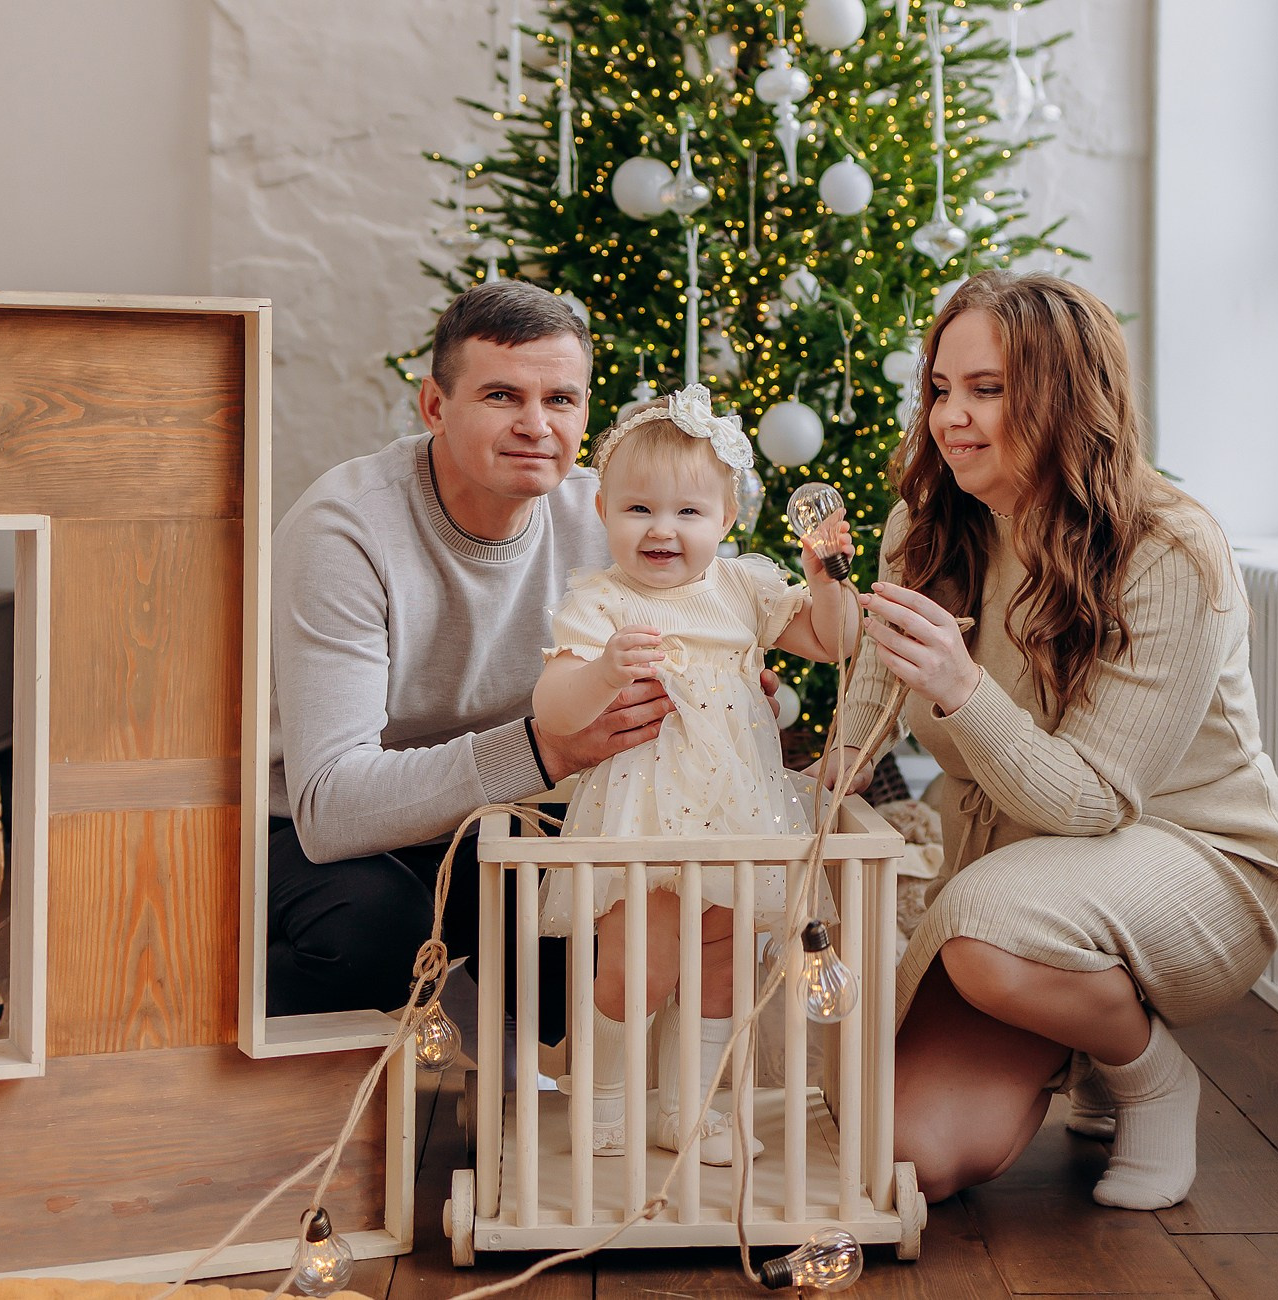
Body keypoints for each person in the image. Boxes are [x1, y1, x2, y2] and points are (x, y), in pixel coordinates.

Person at [823, 271, 1278, 1210]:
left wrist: (963, 688)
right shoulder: (922, 527)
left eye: (987, 390)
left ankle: (1149, 1076)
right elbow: (867, 707)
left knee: (992, 928)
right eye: (940, 388)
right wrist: (807, 775)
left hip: (1195, 859)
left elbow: (1093, 802)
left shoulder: (1170, 548)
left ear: (1067, 396)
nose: (951, 418)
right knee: (907, 1153)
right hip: (1024, 876)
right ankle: (1075, 1023)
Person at [266, 280, 668, 1028]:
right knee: (377, 926)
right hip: (297, 824)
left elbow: (716, 622)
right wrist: (542, 749)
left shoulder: (601, 515)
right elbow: (325, 806)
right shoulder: (345, 529)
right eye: (501, 397)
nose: (536, 426)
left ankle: (543, 1108)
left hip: (493, 812)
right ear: (433, 407)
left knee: (581, 907)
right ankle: (226, 1070)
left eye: (561, 400)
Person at [531, 386, 857, 1163]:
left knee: (722, 963)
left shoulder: (742, 586)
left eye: (688, 513)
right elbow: (554, 708)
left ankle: (695, 1106)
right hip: (642, 815)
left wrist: (827, 579)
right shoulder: (601, 602)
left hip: (739, 811)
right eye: (639, 510)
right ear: (603, 509)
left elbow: (836, 641)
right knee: (636, 965)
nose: (662, 530)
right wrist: (604, 672)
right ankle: (606, 1095)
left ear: (728, 520)